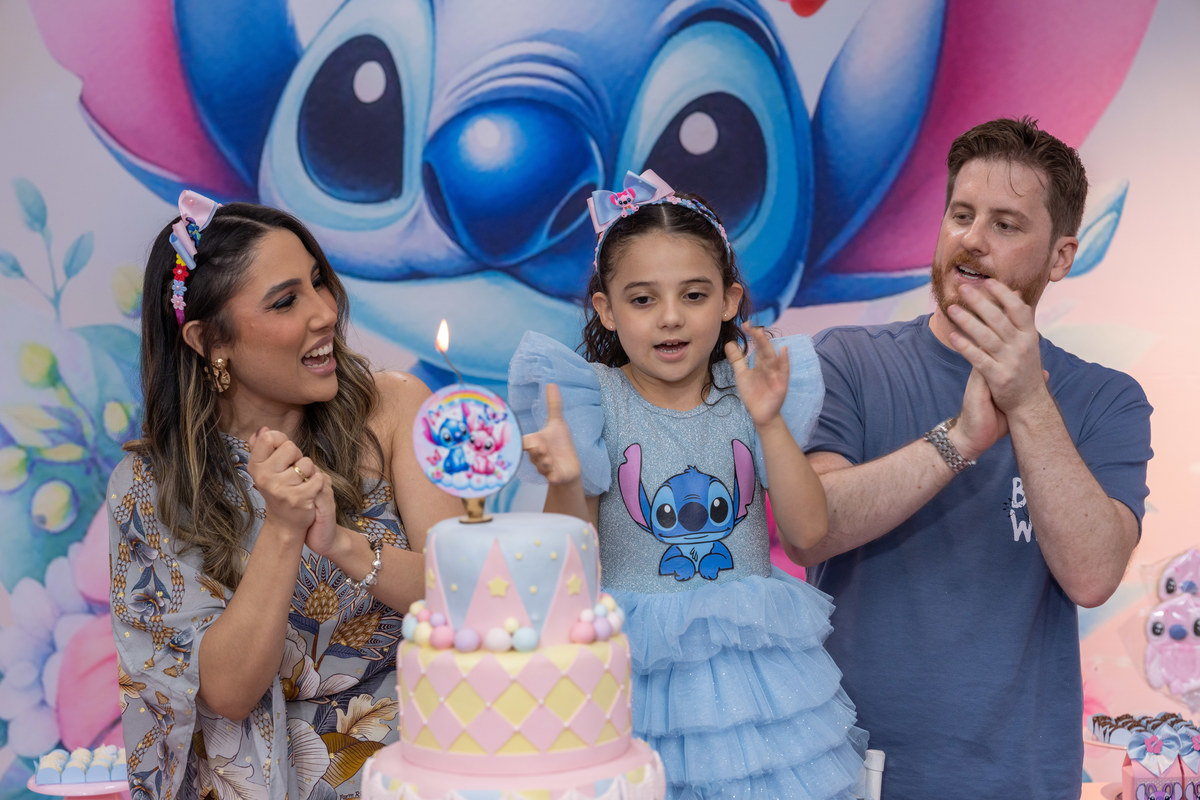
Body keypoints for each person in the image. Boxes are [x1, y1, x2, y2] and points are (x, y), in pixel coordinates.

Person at [790, 117, 1153, 797]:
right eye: (961, 215)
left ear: (1060, 257)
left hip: (1018, 779)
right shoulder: (848, 360)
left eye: (1005, 224)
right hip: (845, 769)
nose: (972, 239)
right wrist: (958, 440)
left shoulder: (1108, 400)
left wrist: (1028, 401)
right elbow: (812, 529)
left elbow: (1092, 575)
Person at [508, 170, 867, 799]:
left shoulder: (753, 393)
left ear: (729, 301)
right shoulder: (593, 400)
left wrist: (769, 422)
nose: (670, 318)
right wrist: (565, 480)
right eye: (643, 300)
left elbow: (810, 532)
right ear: (607, 310)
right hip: (631, 673)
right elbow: (565, 578)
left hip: (755, 682)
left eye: (694, 295)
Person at [106, 191, 461, 800]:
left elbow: (466, 595)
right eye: (286, 300)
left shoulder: (395, 408)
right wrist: (283, 527)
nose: (325, 312)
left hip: (419, 767)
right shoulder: (152, 488)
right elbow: (228, 692)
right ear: (208, 340)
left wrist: (343, 543)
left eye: (319, 282)